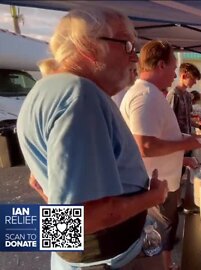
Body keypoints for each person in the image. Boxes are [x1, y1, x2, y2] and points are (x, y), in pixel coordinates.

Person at [16, 7, 169, 269]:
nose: (135, 56)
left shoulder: (44, 89)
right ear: (87, 46)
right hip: (110, 260)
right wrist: (155, 196)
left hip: (81, 257)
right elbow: (88, 216)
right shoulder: (79, 94)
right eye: (127, 44)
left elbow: (39, 184)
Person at [120, 40, 201, 270]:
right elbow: (144, 145)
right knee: (159, 230)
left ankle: (165, 265)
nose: (175, 75)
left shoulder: (150, 93)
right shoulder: (144, 95)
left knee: (166, 227)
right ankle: (162, 266)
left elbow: (157, 139)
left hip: (161, 180)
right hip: (154, 184)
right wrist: (185, 143)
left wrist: (181, 157)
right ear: (160, 65)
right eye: (173, 68)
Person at [167, 62, 201, 134]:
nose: (195, 82)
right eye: (193, 79)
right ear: (183, 76)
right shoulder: (173, 95)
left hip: (186, 138)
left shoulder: (188, 96)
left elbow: (187, 120)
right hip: (176, 140)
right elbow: (168, 122)